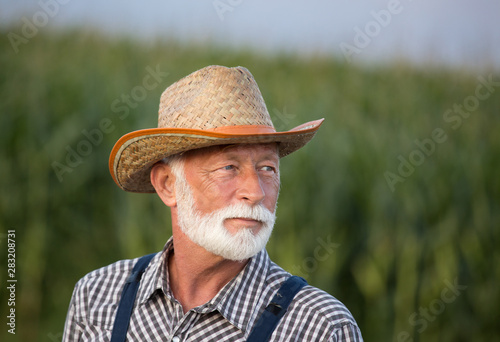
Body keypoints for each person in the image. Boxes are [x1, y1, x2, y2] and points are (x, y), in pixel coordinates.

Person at [62, 65, 363, 341]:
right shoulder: (98, 297)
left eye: (267, 168)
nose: (255, 192)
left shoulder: (319, 327)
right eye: (228, 168)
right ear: (168, 185)